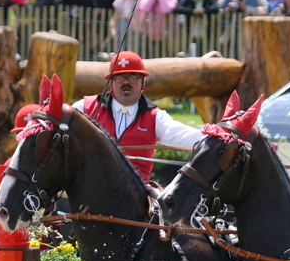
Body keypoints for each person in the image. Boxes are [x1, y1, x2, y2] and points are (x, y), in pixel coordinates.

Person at [71, 51, 201, 182]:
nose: (126, 81)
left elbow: (187, 136)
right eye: (120, 76)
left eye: (133, 76)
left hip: (137, 195)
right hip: (92, 190)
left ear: (143, 83)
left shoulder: (155, 117)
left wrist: (217, 135)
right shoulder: (85, 108)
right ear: (111, 82)